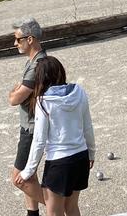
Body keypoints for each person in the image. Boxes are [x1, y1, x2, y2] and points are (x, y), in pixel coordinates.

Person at [15, 56, 96, 216]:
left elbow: (39, 140)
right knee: (72, 208)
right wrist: (91, 153)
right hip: (81, 158)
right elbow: (88, 126)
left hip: (59, 164)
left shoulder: (43, 102)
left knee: (54, 213)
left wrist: (28, 171)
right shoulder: (79, 92)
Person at [8, 18, 47, 216]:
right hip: (31, 126)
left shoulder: (36, 66)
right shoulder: (36, 61)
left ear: (29, 39)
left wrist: (12, 94)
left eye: (18, 39)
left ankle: (60, 207)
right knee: (29, 175)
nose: (15, 43)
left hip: (31, 129)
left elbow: (15, 98)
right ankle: (33, 214)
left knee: (18, 178)